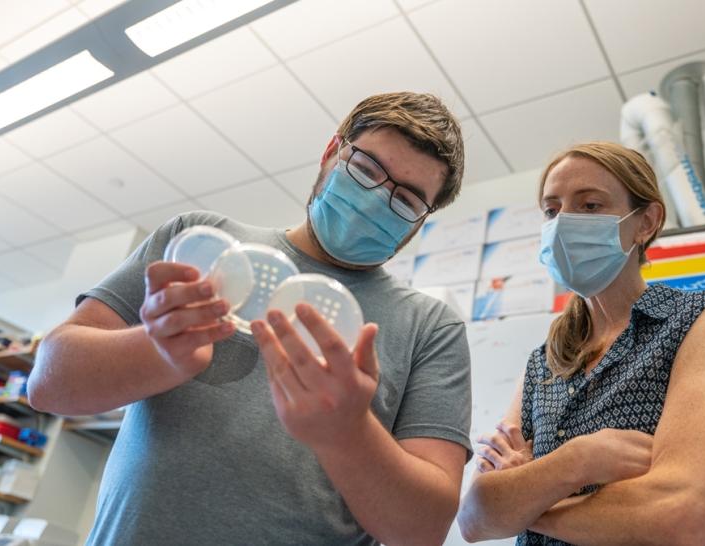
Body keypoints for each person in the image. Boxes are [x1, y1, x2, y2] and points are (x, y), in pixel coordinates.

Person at [27, 92, 473, 546]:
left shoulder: (431, 329)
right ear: (331, 152)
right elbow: (47, 383)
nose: (377, 199)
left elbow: (423, 530)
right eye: (366, 169)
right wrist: (158, 350)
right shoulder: (201, 243)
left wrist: (348, 433)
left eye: (408, 199)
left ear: (422, 220)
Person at [456, 141, 705, 545]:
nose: (564, 223)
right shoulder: (543, 364)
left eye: (590, 205)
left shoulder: (703, 318)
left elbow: (684, 515)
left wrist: (527, 500)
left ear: (645, 222)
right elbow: (474, 518)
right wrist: (581, 460)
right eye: (551, 210)